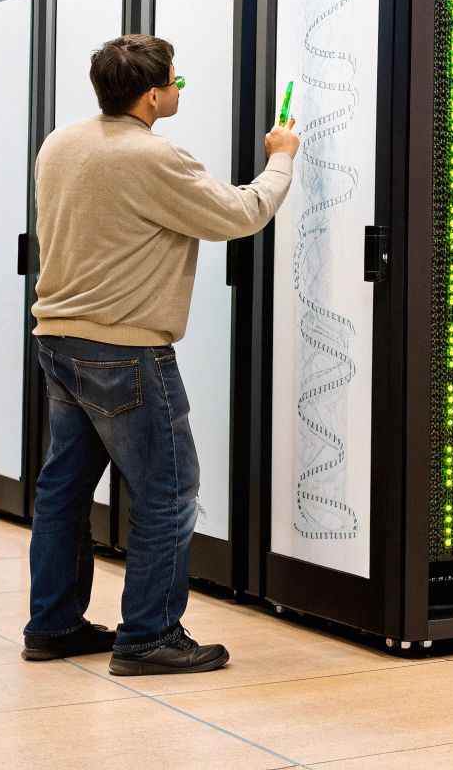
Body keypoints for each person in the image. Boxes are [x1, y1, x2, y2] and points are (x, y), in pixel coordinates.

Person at [19, 33, 299, 676]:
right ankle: (149, 637)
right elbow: (243, 212)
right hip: (125, 351)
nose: (178, 89)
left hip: (58, 341)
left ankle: (54, 624)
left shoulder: (60, 143)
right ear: (153, 95)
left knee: (63, 490)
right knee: (169, 492)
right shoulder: (155, 158)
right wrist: (280, 157)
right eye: (177, 81)